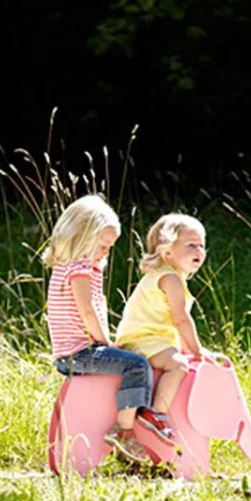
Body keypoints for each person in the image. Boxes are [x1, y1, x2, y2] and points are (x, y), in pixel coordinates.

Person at [44, 194, 173, 462]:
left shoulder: (70, 267)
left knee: (129, 361)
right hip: (79, 353)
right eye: (102, 245)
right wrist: (105, 343)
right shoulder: (79, 269)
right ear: (81, 237)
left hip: (75, 352)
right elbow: (87, 310)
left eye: (109, 247)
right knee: (136, 365)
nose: (106, 252)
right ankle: (124, 431)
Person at [115, 212, 213, 422]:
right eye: (191, 245)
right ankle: (156, 415)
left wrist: (186, 348)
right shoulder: (170, 279)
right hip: (144, 339)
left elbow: (171, 323)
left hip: (147, 337)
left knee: (180, 357)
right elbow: (181, 319)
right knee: (178, 365)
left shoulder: (165, 274)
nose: (199, 251)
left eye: (201, 245)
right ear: (167, 253)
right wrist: (196, 350)